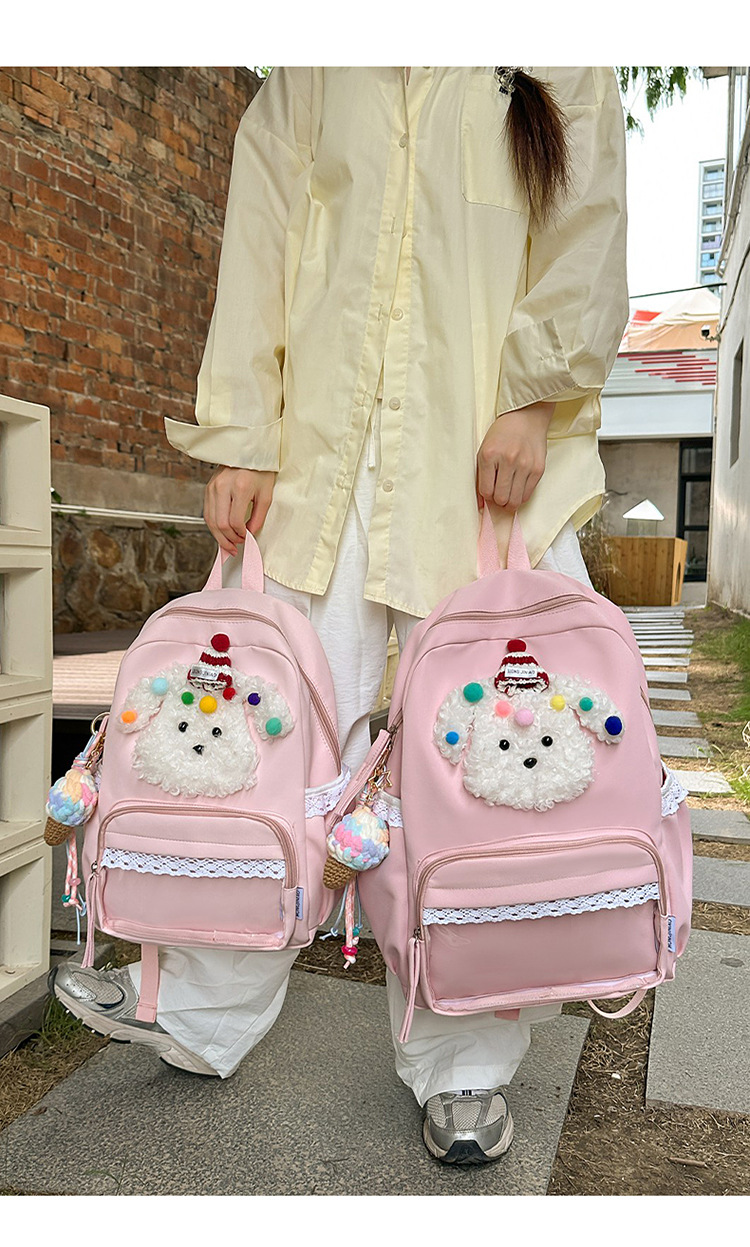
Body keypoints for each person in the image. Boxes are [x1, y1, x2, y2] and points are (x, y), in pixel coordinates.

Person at [53, 66, 629, 1165]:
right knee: (256, 740)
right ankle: (201, 1006)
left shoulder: (556, 50)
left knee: (481, 767)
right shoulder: (321, 59)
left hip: (485, 457)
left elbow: (585, 226)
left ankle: (465, 1061)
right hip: (323, 461)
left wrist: (533, 398)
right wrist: (243, 431)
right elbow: (263, 230)